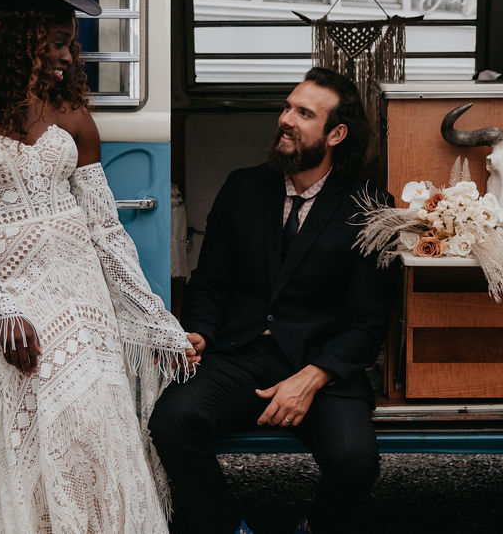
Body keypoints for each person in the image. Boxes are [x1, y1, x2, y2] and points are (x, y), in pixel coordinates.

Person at [0, 0, 198, 534]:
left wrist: (158, 323)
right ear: (13, 35)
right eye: (58, 42)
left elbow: (105, 232)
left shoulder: (75, 117)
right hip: (8, 306)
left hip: (81, 299)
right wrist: (0, 308)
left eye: (71, 44)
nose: (70, 56)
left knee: (89, 436)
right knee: (16, 445)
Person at [149, 67, 395, 534]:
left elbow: (368, 321)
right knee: (172, 421)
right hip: (242, 352)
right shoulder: (242, 187)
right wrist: (198, 331)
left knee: (356, 460)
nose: (286, 119)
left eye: (304, 113)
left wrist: (312, 378)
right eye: (287, 107)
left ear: (336, 134)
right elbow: (209, 282)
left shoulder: (370, 207)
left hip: (321, 365)